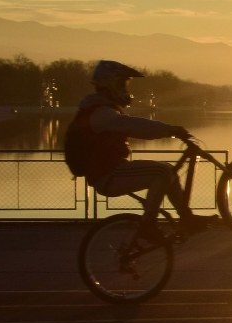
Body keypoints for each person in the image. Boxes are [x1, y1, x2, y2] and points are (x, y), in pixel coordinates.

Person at [73, 59, 215, 239]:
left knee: (168, 172)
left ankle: (186, 219)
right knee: (163, 172)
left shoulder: (101, 109)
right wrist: (169, 129)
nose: (126, 89)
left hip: (111, 171)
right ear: (110, 84)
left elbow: (134, 128)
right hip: (108, 175)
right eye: (123, 84)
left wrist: (167, 130)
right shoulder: (101, 113)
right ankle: (148, 226)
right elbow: (133, 126)